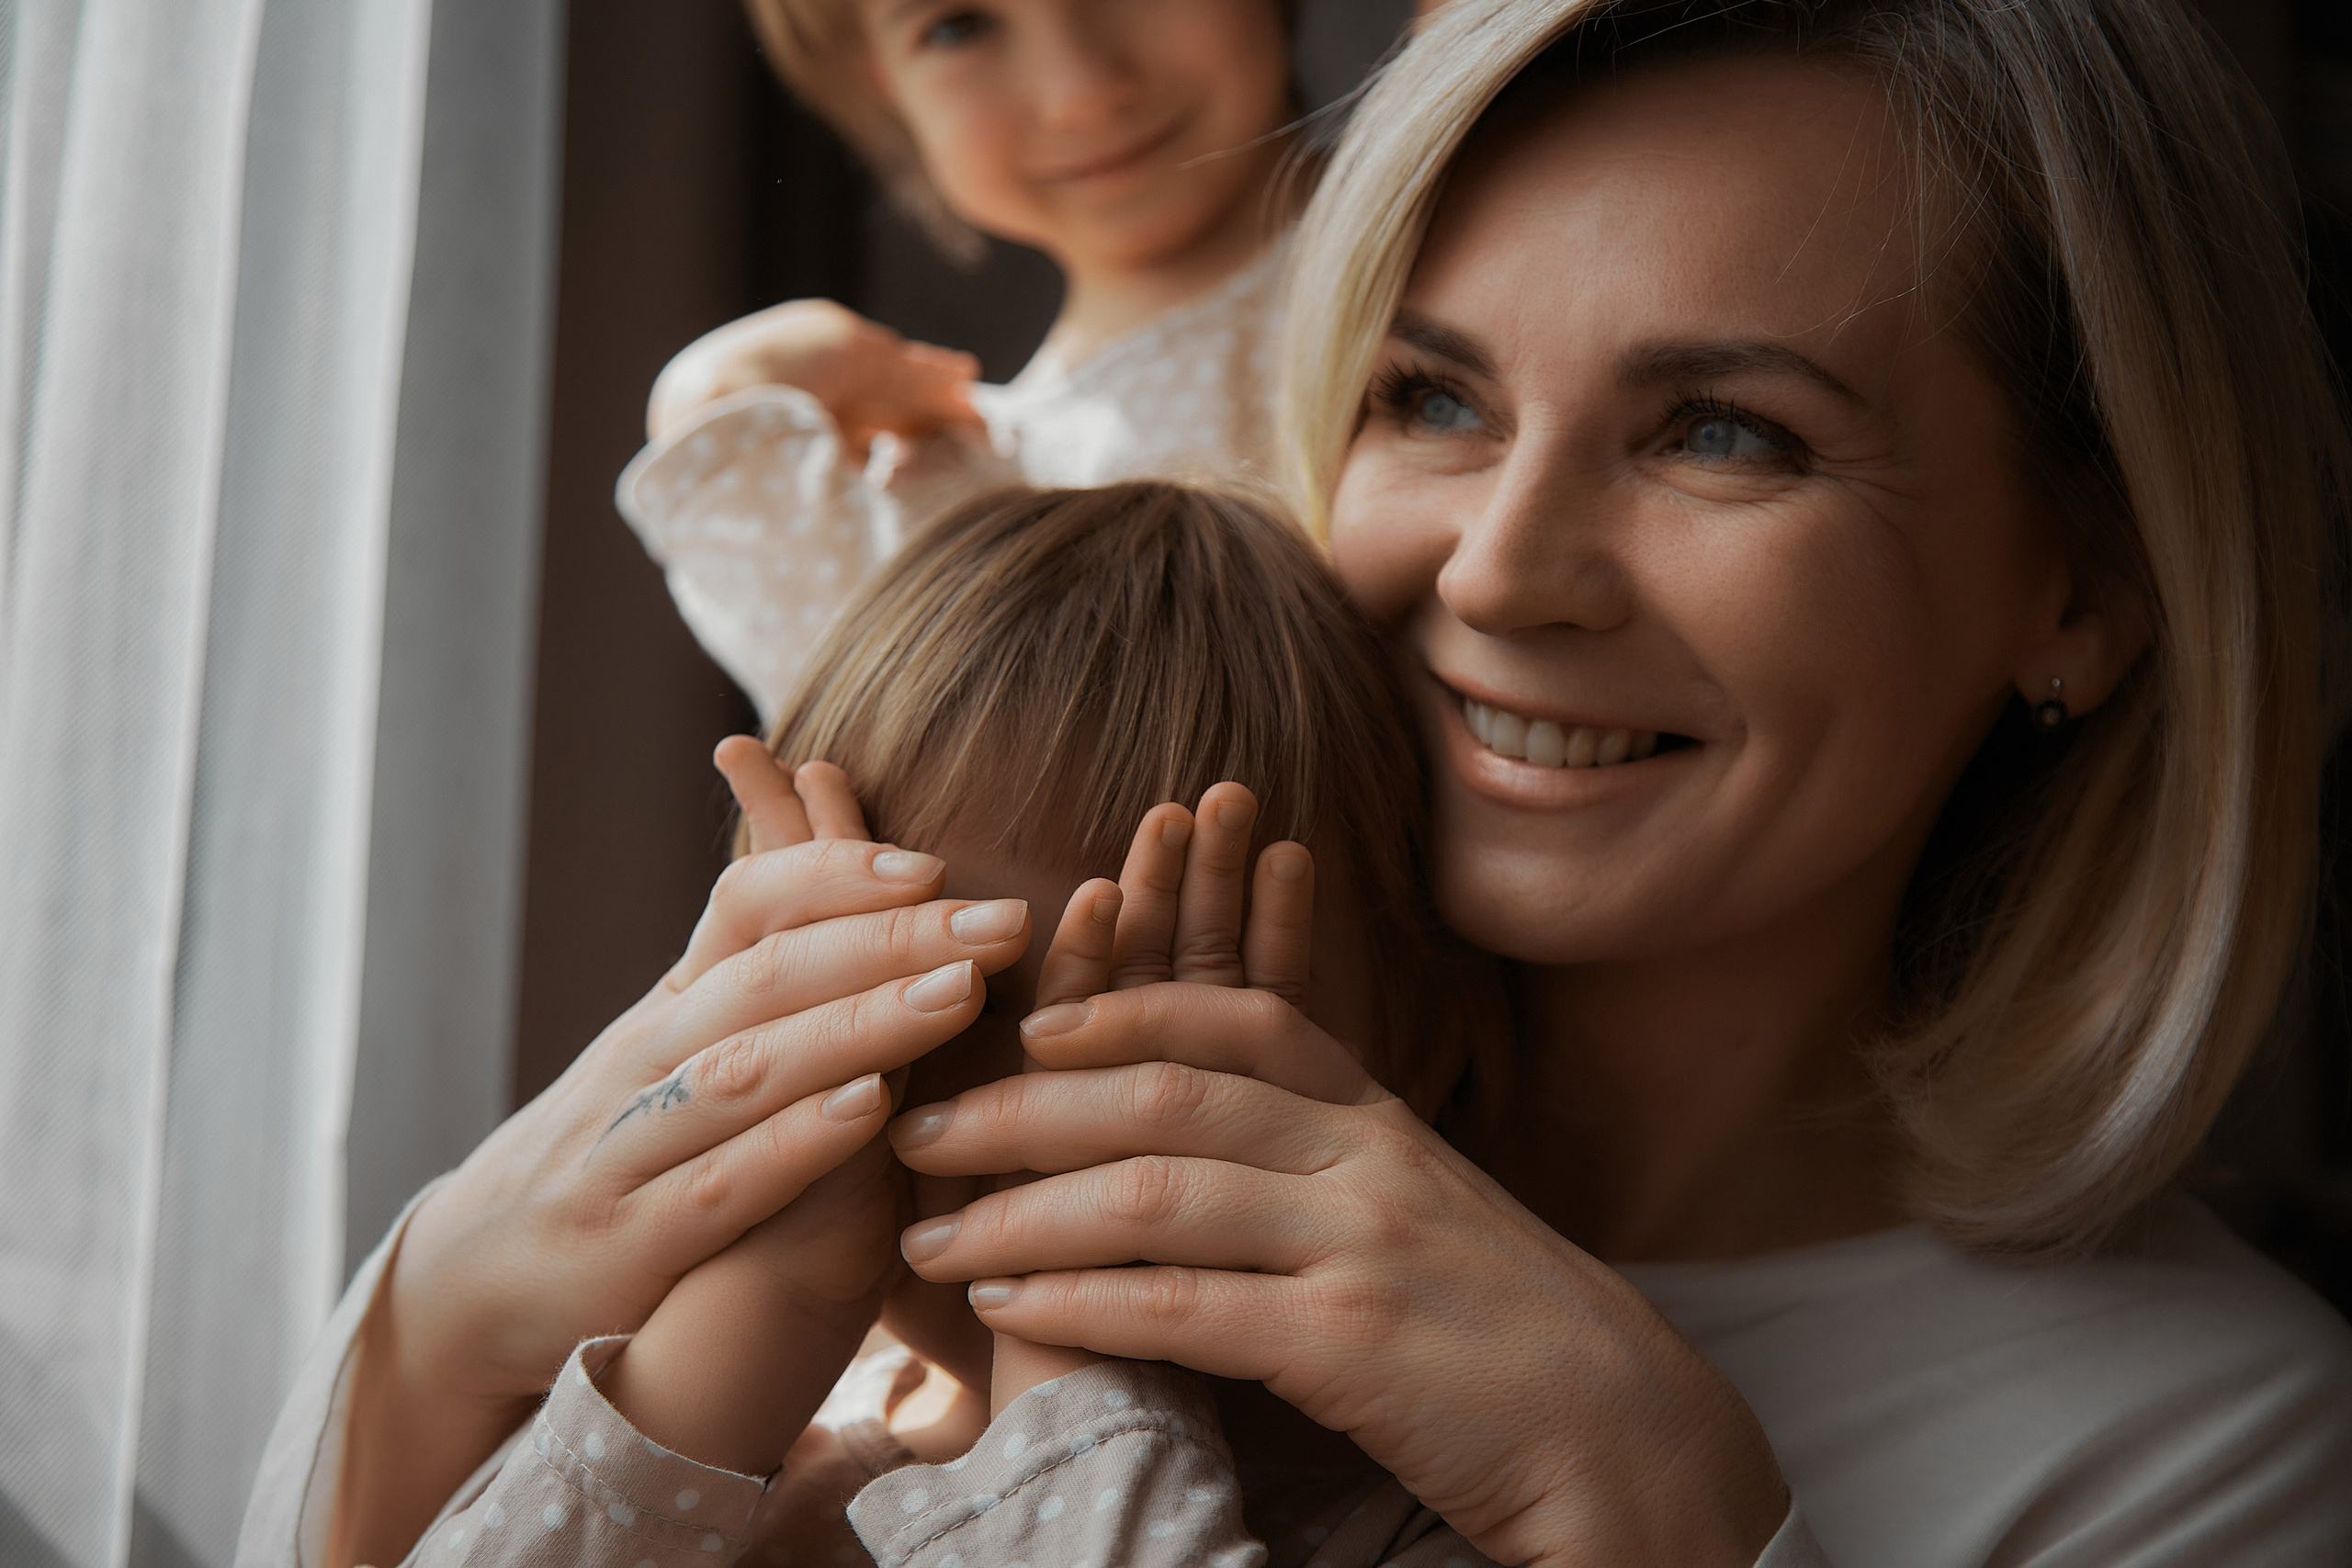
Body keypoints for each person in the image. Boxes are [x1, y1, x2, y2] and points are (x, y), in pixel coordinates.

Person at [242, 0, 2352, 1563]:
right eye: (1427, 393)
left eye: (1725, 431)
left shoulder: (2208, 1448)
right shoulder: (836, 1178)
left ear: (2080, 582)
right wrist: (432, 1326)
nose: (1499, 566)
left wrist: (1645, 1500)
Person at [233, 481, 1488, 1567]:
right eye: (925, 1010)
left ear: (1423, 1056)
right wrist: (766, 1306)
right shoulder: (759, 1465)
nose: (1024, 1135)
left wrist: (1084, 1366)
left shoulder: (1444, 1525)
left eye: (1150, 1044)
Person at [619, 0, 1321, 721]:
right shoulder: (990, 484)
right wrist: (717, 397)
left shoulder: (1422, 241)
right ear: (887, 83)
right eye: (958, 26)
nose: (1080, 93)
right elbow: (898, 751)